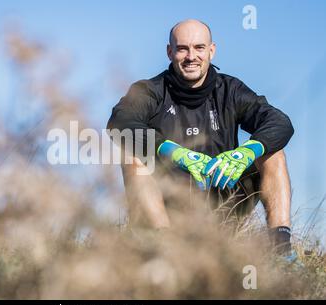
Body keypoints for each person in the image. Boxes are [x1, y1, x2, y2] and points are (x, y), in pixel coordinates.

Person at [106, 19, 295, 260]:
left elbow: (279, 122)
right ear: (170, 51)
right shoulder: (149, 90)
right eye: (183, 48)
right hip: (169, 205)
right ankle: (164, 249)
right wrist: (173, 151)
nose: (191, 56)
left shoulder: (231, 90)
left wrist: (245, 152)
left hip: (223, 202)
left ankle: (281, 251)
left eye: (199, 48)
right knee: (132, 155)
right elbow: (118, 123)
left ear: (211, 51)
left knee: (273, 152)